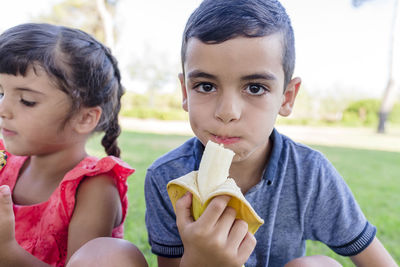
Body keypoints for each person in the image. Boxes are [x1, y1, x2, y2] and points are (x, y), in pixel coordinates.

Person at [144, 0, 398, 266]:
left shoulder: (310, 175)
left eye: (254, 88)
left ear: (286, 97)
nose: (227, 112)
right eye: (206, 86)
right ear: (185, 92)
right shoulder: (167, 177)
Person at [0, 23, 147, 267]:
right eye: (0, 93)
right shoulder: (4, 161)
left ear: (84, 118)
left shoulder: (94, 187)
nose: (3, 109)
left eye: (27, 101)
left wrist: (8, 253)